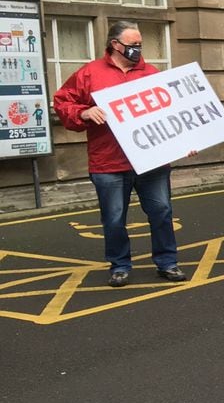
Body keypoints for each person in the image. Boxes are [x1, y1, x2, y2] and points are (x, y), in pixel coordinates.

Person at [52, 20, 187, 287]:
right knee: (113, 218)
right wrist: (83, 112)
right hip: (109, 162)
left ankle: (167, 263)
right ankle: (120, 265)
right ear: (115, 45)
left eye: (140, 44)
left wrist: (183, 142)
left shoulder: (150, 73)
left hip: (151, 160)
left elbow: (174, 114)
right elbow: (63, 101)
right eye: (132, 44)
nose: (138, 49)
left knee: (161, 212)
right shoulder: (90, 73)